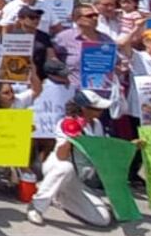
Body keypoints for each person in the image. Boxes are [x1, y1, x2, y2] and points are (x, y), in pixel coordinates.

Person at [26, 90, 114, 228]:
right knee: (65, 167)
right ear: (84, 109)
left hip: (79, 178)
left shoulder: (97, 124)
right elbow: (61, 156)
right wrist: (71, 139)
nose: (100, 111)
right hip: (59, 167)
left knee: (102, 219)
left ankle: (59, 196)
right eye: (96, 109)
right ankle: (37, 206)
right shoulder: (66, 123)